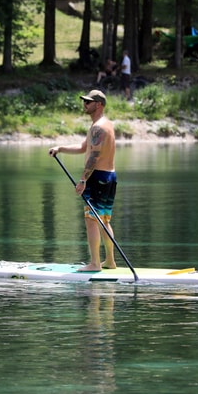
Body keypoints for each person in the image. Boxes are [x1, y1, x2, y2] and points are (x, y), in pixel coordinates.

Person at [48, 89, 118, 272]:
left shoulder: (98, 128)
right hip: (110, 176)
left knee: (91, 220)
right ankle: (110, 261)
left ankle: (95, 264)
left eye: (88, 101)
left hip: (97, 177)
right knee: (104, 220)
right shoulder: (105, 124)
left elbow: (94, 156)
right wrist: (60, 148)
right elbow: (83, 148)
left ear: (99, 104)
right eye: (84, 101)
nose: (84, 104)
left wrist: (82, 180)